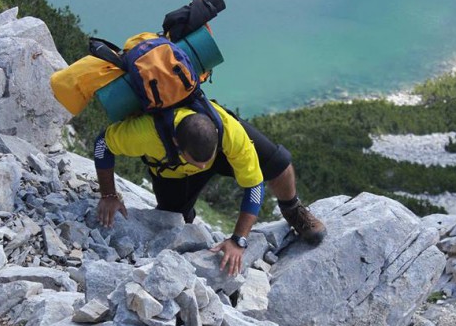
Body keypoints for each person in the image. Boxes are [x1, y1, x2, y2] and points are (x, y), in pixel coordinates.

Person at [94, 101, 326, 275]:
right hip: (173, 169)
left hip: (217, 152)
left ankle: (293, 210)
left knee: (278, 163)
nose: (203, 167)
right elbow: (102, 144)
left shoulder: (231, 134)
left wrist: (238, 240)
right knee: (172, 216)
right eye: (199, 163)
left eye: (207, 160)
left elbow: (254, 185)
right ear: (175, 143)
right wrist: (108, 194)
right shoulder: (145, 134)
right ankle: (188, 235)